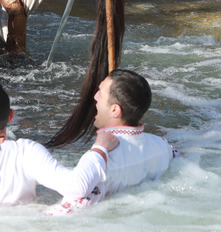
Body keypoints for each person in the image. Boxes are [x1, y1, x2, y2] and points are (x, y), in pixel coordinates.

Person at [47, 69, 176, 215]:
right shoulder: (162, 146)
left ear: (115, 110)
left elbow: (65, 214)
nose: (95, 97)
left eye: (100, 93)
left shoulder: (102, 162)